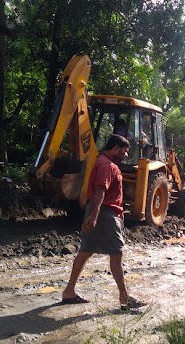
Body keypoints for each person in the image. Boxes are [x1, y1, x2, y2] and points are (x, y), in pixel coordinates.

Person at [61, 134, 145, 312]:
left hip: (100, 212)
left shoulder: (102, 162)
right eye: (124, 151)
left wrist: (92, 215)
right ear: (115, 148)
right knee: (117, 254)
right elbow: (100, 192)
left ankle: (69, 291)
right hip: (105, 214)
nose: (125, 155)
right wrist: (94, 217)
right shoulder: (107, 165)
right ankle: (124, 298)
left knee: (85, 251)